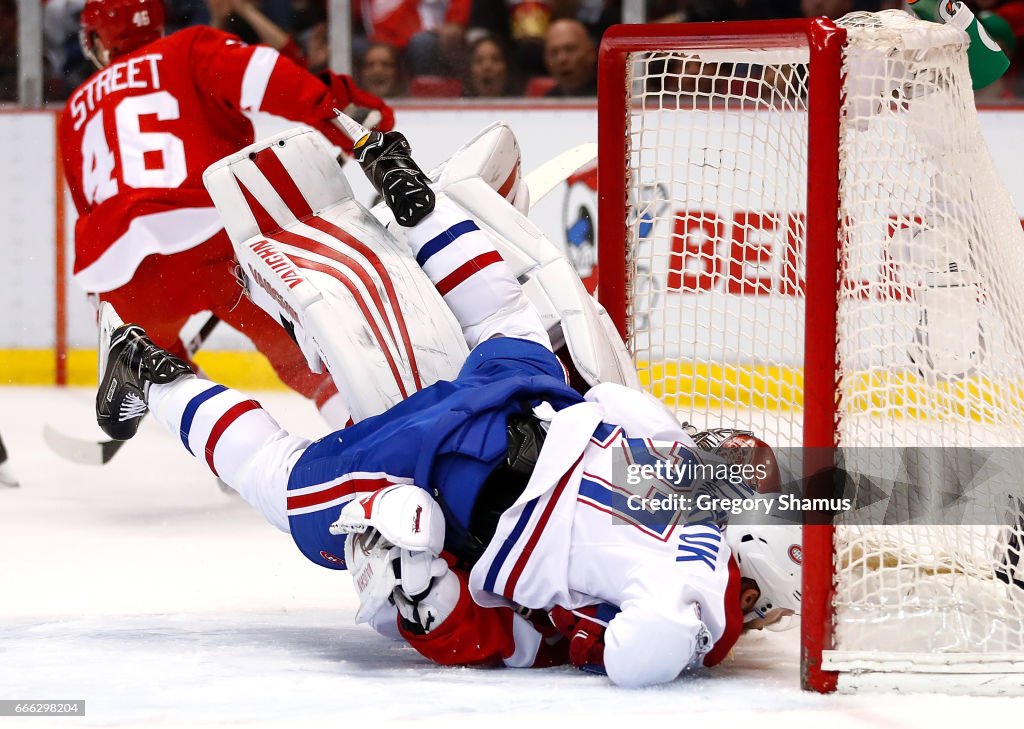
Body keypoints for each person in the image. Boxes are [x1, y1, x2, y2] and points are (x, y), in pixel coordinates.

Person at [93, 122, 801, 687]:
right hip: (471, 474)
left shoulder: (672, 449)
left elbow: (612, 393)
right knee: (290, 485)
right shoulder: (691, 588)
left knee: (504, 319)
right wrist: (434, 612)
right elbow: (621, 656)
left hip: (537, 395)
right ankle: (149, 374)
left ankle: (417, 200)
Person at [62, 0, 394, 427]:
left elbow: (89, 208)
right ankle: (375, 445)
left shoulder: (74, 108)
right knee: (307, 362)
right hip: (214, 237)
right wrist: (347, 120)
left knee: (159, 371)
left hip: (122, 270)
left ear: (96, 38)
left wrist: (106, 303)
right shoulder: (189, 48)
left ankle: (227, 441)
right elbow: (269, 78)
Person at [542, 19, 597, 97]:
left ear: (591, 53)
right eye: (554, 52)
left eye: (570, 49)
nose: (562, 59)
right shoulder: (546, 102)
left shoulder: (612, 96)